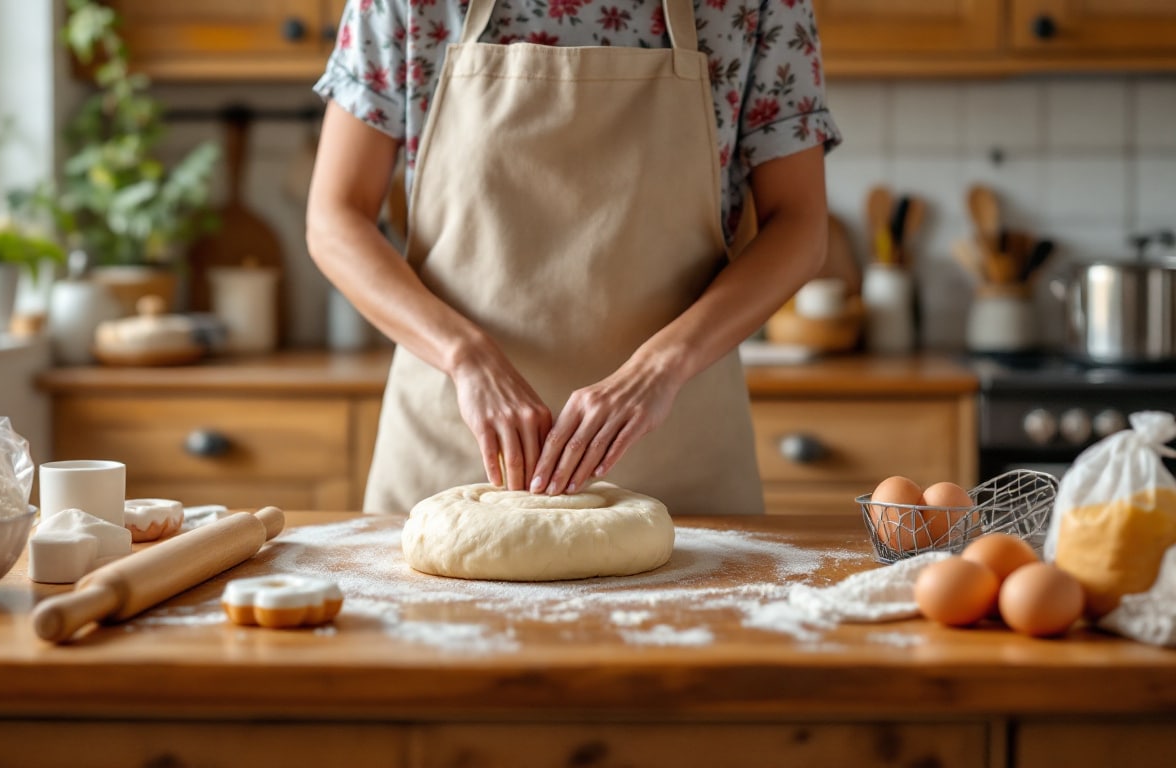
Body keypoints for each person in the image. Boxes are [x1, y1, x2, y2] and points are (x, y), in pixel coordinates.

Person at [307, 0, 840, 515]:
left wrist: (661, 367)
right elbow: (334, 218)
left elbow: (798, 224)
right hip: (450, 455)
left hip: (681, 462)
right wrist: (463, 354)